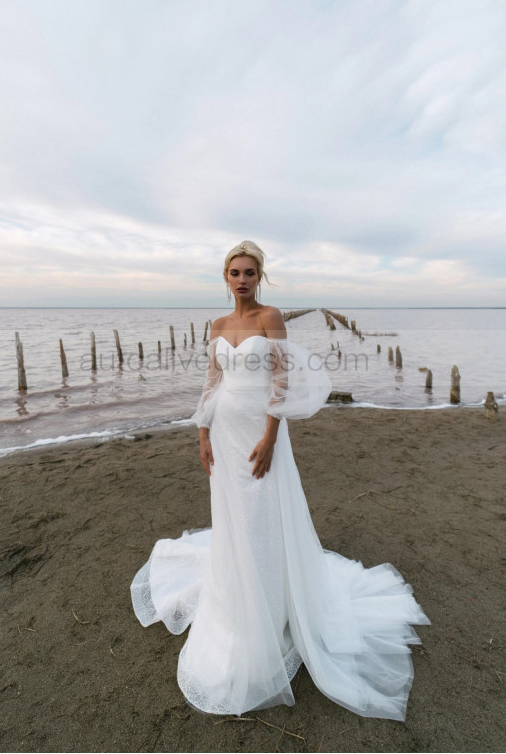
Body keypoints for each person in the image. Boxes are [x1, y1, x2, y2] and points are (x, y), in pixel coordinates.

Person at [131, 240, 429, 719]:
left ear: (260, 276)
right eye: (234, 272)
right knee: (233, 516)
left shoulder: (270, 318)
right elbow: (212, 379)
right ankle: (240, 596)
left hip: (259, 429)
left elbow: (282, 380)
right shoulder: (218, 325)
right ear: (225, 278)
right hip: (224, 432)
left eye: (250, 272)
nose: (242, 279)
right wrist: (202, 432)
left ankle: (273, 606)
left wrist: (271, 436)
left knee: (264, 510)